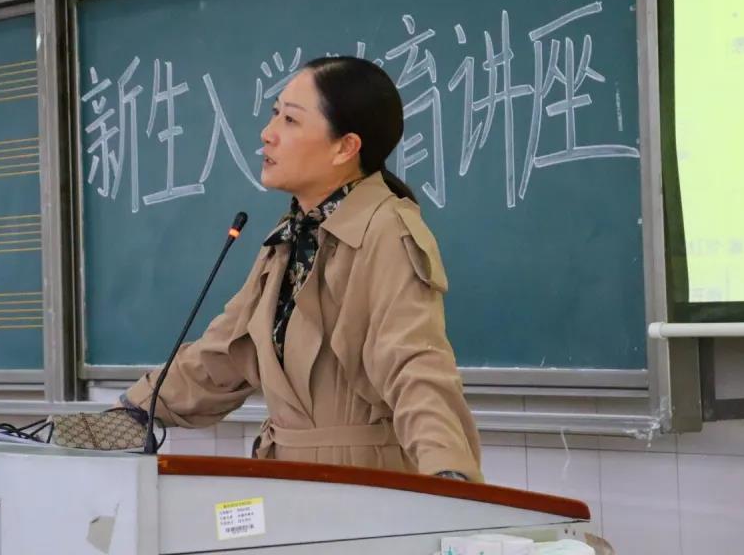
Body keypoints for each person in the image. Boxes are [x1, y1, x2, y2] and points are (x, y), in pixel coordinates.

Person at [122, 56, 481, 481]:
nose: (267, 133)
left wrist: (449, 473)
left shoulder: (386, 230)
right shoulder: (293, 233)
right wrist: (132, 412)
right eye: (275, 113)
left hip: (363, 484)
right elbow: (227, 351)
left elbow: (415, 364)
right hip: (288, 480)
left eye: (290, 120)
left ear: (345, 147)